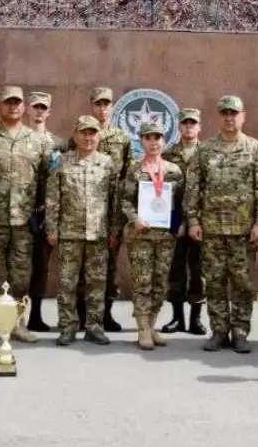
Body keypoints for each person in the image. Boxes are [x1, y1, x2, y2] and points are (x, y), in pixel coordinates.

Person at [185, 95, 258, 353]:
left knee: (242, 283)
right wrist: (193, 220)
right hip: (212, 229)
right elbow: (193, 188)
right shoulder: (205, 150)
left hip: (243, 232)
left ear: (242, 116)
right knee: (213, 281)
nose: (229, 117)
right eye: (224, 113)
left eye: (234, 113)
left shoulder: (256, 149)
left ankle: (241, 331)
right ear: (218, 117)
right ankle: (219, 331)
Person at [0, 86, 51, 346]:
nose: (13, 106)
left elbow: (47, 181)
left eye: (17, 102)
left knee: (21, 276)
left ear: (24, 106)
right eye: (8, 102)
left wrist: (44, 213)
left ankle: (18, 323)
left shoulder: (37, 142)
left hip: (24, 222)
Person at [46, 116, 116, 346]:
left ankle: (94, 327)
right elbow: (52, 197)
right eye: (84, 133)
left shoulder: (107, 163)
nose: (88, 138)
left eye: (93, 133)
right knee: (67, 282)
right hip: (69, 233)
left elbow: (114, 199)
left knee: (97, 283)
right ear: (75, 135)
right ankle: (67, 326)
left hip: (98, 233)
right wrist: (52, 228)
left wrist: (113, 230)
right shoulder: (62, 162)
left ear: (99, 136)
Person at [68, 87, 131, 332]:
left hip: (109, 213)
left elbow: (126, 177)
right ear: (91, 106)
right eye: (98, 104)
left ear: (112, 106)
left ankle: (105, 315)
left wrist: (120, 220)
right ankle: (82, 316)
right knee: (83, 269)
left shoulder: (122, 139)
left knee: (110, 267)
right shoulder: (79, 134)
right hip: (82, 212)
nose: (102, 109)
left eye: (107, 104)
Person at [122, 122, 185, 350]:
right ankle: (142, 330)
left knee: (160, 283)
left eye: (158, 137)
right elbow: (125, 201)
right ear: (142, 141)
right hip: (141, 235)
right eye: (149, 138)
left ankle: (152, 324)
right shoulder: (134, 170)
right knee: (143, 282)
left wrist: (180, 224)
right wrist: (134, 218)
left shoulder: (174, 171)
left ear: (164, 140)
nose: (154, 141)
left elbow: (180, 203)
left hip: (166, 236)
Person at [160, 107, 206, 336]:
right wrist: (174, 221)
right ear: (179, 126)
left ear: (199, 127)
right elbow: (163, 191)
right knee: (176, 269)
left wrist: (197, 219)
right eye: (185, 123)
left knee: (199, 270)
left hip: (201, 219)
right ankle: (177, 318)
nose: (189, 127)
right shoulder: (168, 155)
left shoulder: (207, 152)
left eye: (193, 123)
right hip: (175, 218)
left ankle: (196, 319)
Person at [26, 91, 65, 332]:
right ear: (28, 110)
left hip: (44, 213)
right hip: (19, 211)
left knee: (41, 265)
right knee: (16, 265)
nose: (39, 111)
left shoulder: (58, 144)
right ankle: (11, 314)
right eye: (35, 107)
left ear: (49, 112)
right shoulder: (18, 139)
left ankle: (36, 315)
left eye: (43, 108)